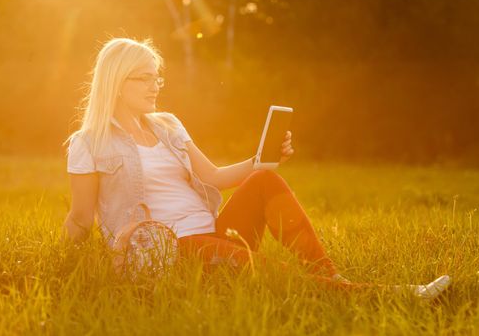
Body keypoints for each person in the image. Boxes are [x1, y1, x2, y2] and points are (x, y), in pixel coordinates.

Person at [64, 37, 450, 299]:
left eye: (157, 76)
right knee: (273, 276)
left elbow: (213, 177)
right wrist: (66, 267)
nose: (155, 86)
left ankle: (333, 279)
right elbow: (81, 220)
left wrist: (261, 160)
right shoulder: (90, 143)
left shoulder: (167, 125)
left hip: (213, 234)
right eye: (144, 78)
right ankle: (394, 295)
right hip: (173, 251)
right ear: (116, 82)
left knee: (264, 178)